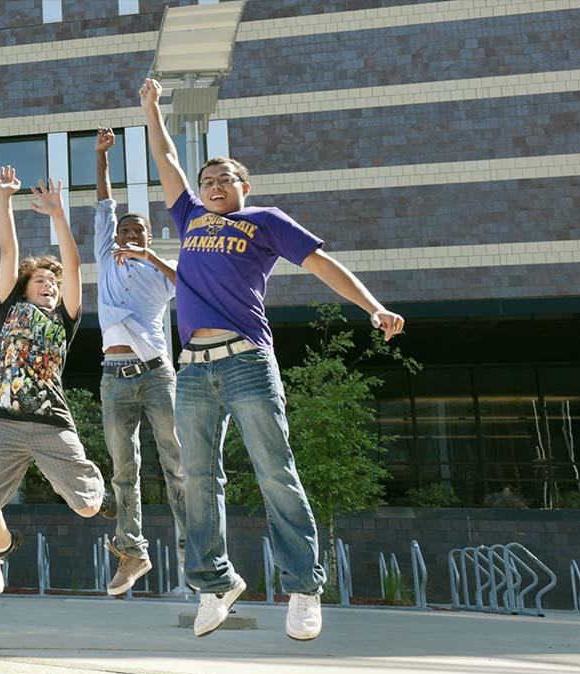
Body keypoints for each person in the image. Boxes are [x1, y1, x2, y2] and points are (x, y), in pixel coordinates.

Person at [140, 78, 404, 640]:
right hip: (192, 369)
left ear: (245, 185)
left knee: (274, 472)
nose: (212, 186)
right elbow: (165, 156)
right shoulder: (187, 217)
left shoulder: (265, 221)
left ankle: (304, 587)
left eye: (223, 179)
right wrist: (151, 110)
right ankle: (215, 583)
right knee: (197, 479)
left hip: (246, 362)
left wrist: (374, 307)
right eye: (206, 180)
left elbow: (324, 266)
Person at [0, 169, 113, 596]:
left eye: (54, 282)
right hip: (5, 420)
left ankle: (98, 486)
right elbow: (8, 249)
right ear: (24, 288)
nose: (49, 284)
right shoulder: (9, 306)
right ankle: (2, 543)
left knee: (87, 509)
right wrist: (6, 200)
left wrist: (57, 214)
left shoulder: (64, 319)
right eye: (41, 281)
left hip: (51, 421)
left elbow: (73, 264)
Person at [87, 127, 187, 596]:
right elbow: (104, 207)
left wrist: (150, 255)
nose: (128, 236)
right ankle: (133, 552)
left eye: (138, 232)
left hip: (156, 375)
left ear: (149, 237)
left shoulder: (157, 271)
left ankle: (195, 550)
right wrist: (102, 158)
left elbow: (190, 285)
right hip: (113, 378)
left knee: (176, 460)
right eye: (125, 232)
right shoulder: (106, 260)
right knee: (124, 469)